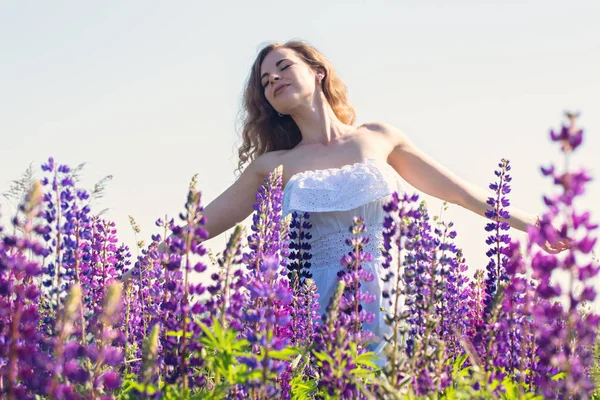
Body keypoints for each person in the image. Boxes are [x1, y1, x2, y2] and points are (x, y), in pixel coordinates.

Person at [129, 40, 572, 354]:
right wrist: (135, 274)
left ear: (316, 71)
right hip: (310, 301)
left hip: (394, 294)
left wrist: (533, 223)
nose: (274, 80)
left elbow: (460, 192)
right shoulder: (272, 165)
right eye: (265, 81)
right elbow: (203, 225)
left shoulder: (378, 137)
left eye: (283, 67)